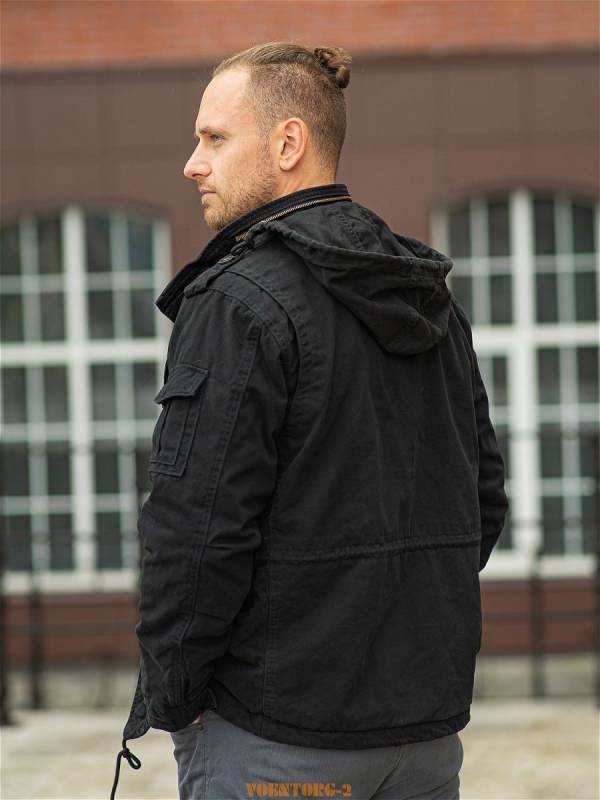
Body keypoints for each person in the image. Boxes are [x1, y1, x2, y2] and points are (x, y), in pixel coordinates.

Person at [110, 41, 509, 800]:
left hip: (275, 737)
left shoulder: (237, 301)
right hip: (423, 737)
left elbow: (196, 532)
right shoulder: (426, 295)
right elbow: (482, 501)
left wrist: (177, 701)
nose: (193, 164)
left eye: (214, 138)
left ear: (288, 143)